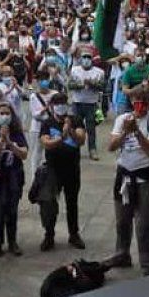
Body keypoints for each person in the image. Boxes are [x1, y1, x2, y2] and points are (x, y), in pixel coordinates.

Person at [106, 87, 149, 276]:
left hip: (144, 178)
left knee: (145, 223)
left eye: (142, 101)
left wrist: (137, 132)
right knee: (122, 220)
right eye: (136, 101)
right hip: (124, 176)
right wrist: (125, 132)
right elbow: (111, 146)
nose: (138, 105)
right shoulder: (122, 120)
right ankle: (122, 253)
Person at [37, 92, 87, 251]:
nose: (60, 106)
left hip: (72, 169)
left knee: (72, 203)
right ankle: (49, 234)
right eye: (57, 103)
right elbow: (46, 143)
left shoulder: (76, 120)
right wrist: (61, 137)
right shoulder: (47, 123)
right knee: (49, 204)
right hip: (52, 170)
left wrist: (70, 129)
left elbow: (81, 140)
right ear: (51, 106)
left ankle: (74, 234)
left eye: (63, 103)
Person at [0, 102, 28, 257]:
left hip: (14, 175)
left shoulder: (16, 132)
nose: (5, 116)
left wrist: (10, 144)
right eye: (1, 113)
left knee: (12, 210)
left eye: (7, 113)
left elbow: (24, 154)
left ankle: (12, 240)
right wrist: (1, 140)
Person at [67, 52, 105, 160]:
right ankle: (74, 148)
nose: (86, 59)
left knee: (91, 128)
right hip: (77, 103)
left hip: (91, 104)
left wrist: (92, 84)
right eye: (84, 57)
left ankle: (92, 149)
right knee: (76, 127)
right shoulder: (75, 70)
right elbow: (70, 85)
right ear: (81, 59)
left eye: (89, 57)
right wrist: (80, 85)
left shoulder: (99, 72)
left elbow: (102, 87)